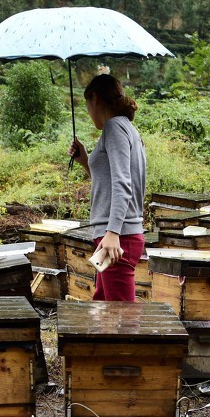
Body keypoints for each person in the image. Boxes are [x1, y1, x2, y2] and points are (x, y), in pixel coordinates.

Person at [67, 74, 146, 302]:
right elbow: (110, 181)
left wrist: (113, 233)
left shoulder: (114, 127)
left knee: (121, 318)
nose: (89, 112)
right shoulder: (126, 127)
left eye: (87, 105)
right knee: (102, 305)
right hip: (117, 236)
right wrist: (85, 160)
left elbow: (123, 184)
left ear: (94, 98)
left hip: (118, 238)